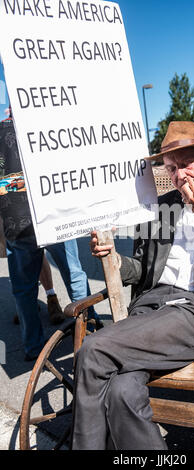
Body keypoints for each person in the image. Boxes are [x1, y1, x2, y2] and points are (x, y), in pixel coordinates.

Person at [70, 121, 194, 450]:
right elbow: (140, 268)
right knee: (123, 391)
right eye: (171, 167)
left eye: (187, 164)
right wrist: (112, 259)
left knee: (93, 350)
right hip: (149, 311)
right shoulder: (160, 206)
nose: (180, 174)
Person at [0, 114, 101, 361]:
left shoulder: (2, 131)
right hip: (54, 213)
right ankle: (90, 333)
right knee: (74, 273)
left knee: (23, 289)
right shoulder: (49, 122)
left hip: (17, 217)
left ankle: (34, 347)